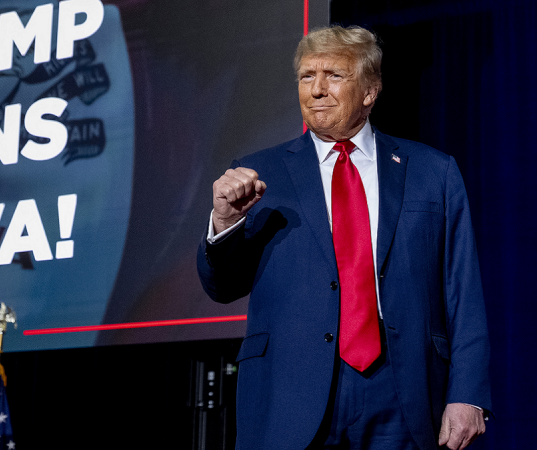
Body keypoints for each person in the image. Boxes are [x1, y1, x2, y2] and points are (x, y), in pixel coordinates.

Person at [197, 25, 491, 450]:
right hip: (290, 390)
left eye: (333, 75)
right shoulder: (261, 173)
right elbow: (221, 287)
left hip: (402, 388)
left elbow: (463, 290)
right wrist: (225, 223)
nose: (317, 89)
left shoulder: (433, 172)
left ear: (370, 91)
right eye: (306, 76)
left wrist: (467, 393)